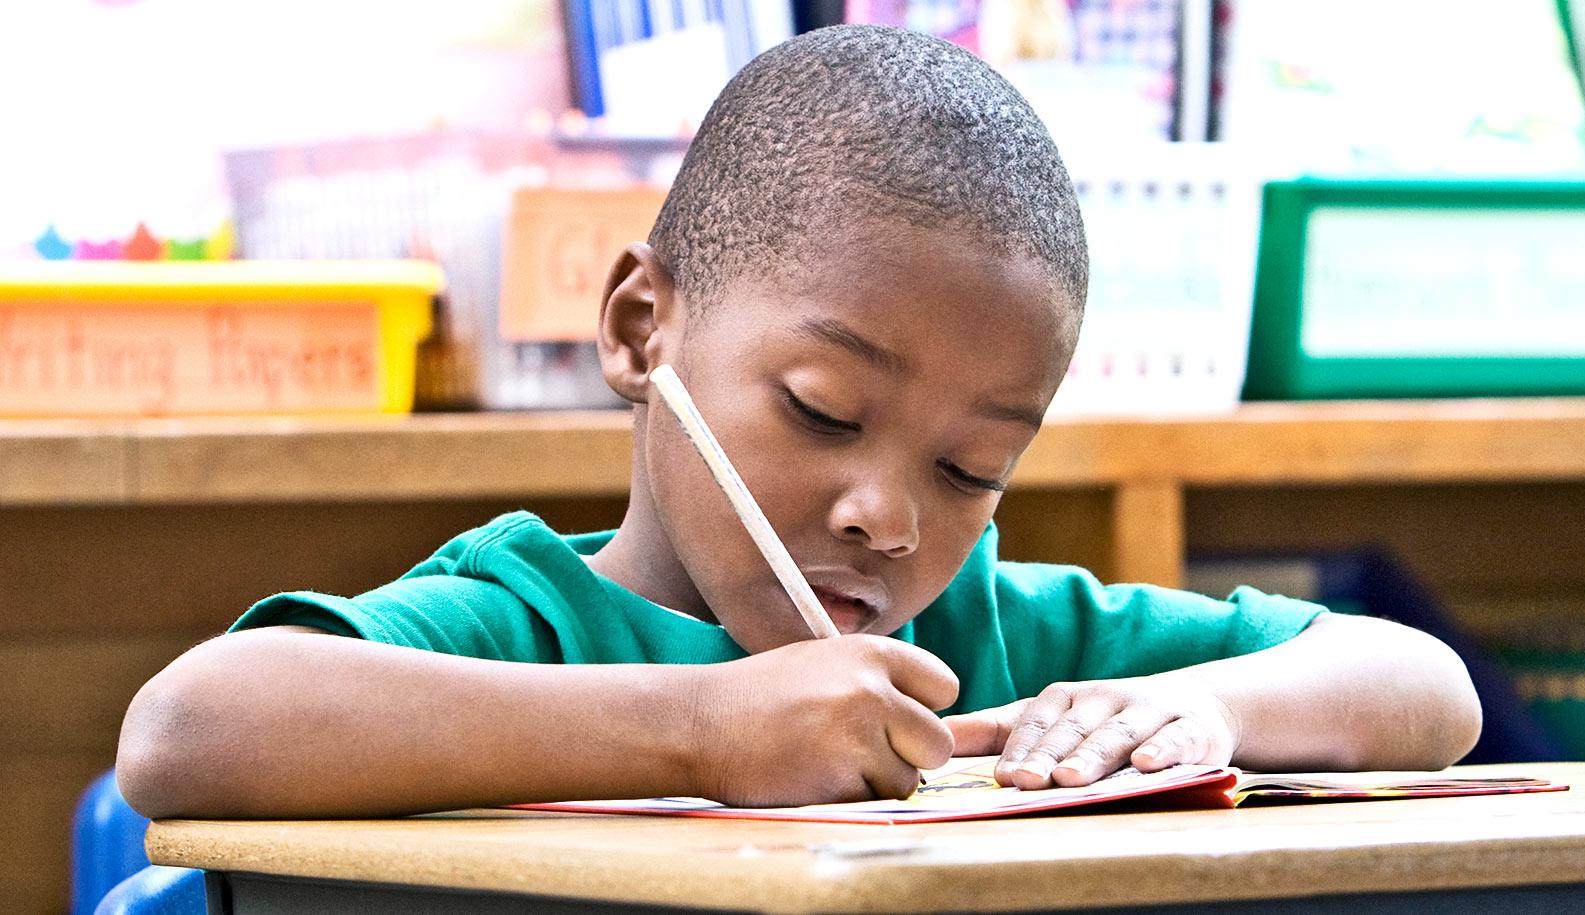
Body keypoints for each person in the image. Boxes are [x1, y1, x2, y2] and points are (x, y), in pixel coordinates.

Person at [117, 25, 1480, 819]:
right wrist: (702, 727)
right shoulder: (524, 620)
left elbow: (1424, 691)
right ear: (644, 329)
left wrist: (1185, 707)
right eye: (825, 412)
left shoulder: (1002, 648)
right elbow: (189, 733)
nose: (888, 515)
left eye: (969, 467)